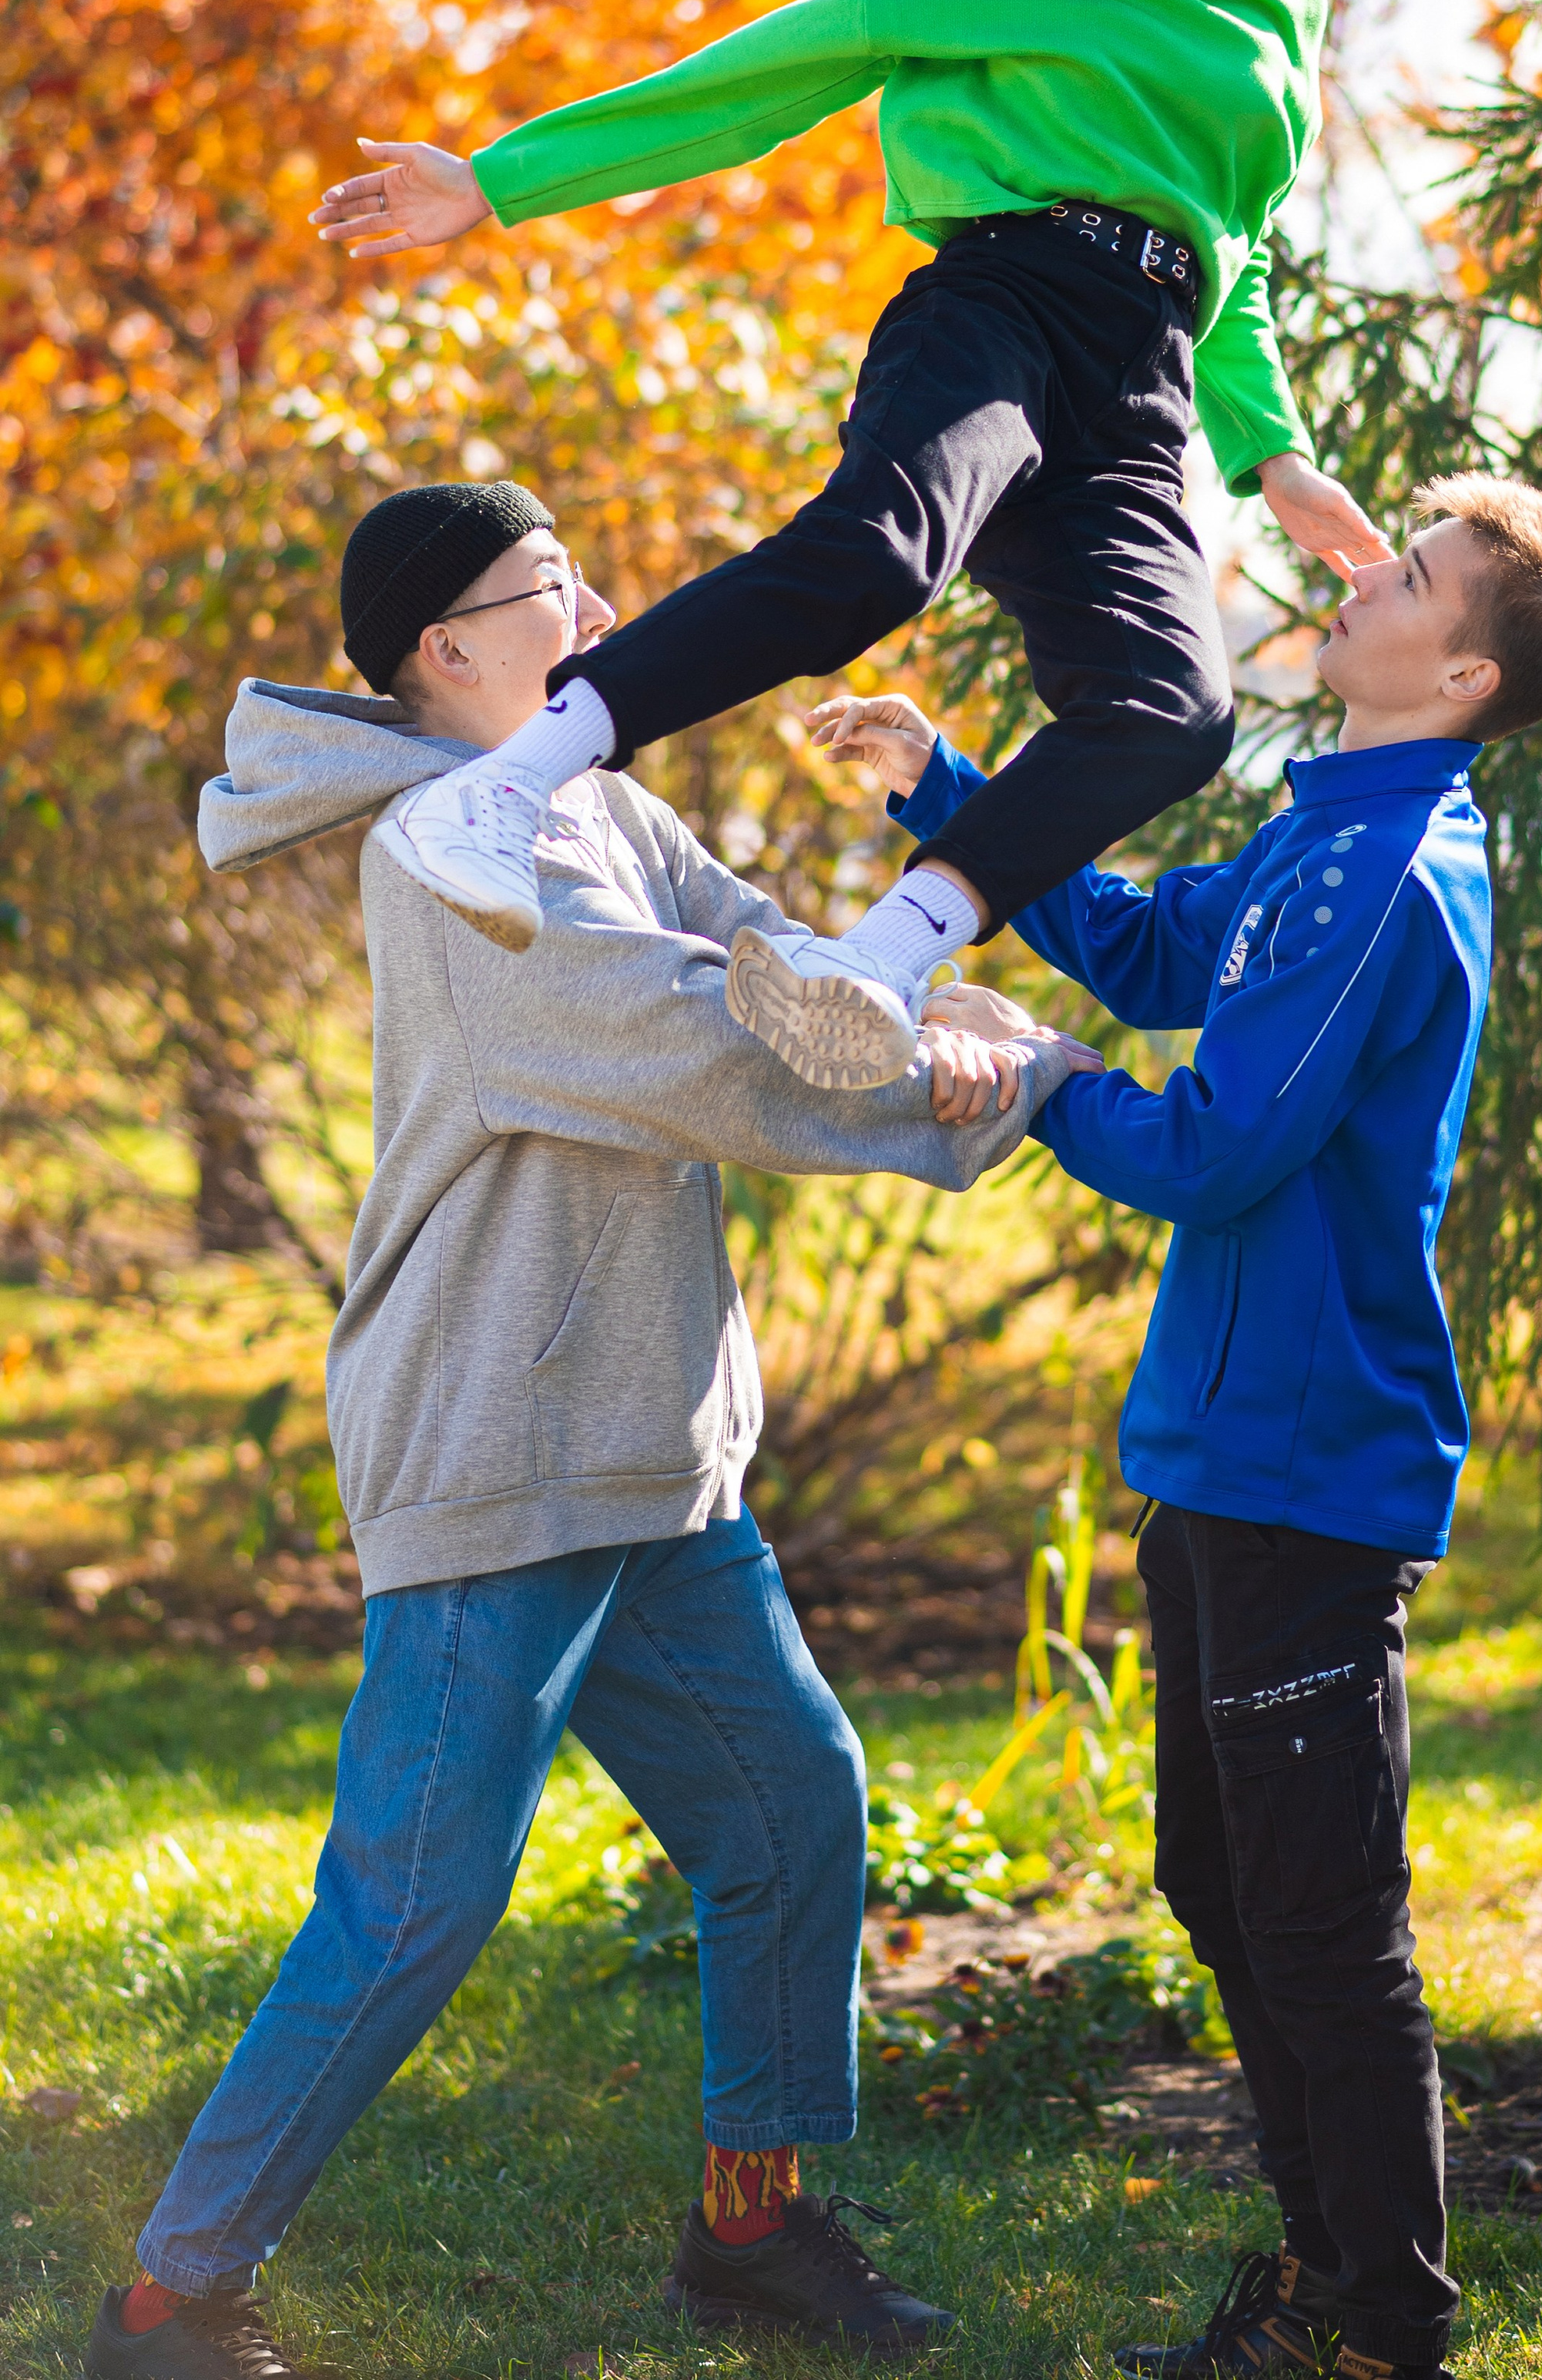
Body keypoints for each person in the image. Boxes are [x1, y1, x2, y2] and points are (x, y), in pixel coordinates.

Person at [85, 480, 1095, 2380]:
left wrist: (972, 1027)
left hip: (653, 1453)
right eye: (556, 589)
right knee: (410, 1907)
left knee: (790, 1810)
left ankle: (752, 2230)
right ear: (444, 649)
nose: (607, 606)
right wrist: (973, 1096)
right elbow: (693, 1046)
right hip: (495, 1450)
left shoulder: (608, 803)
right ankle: (167, 2300)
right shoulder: (441, 855)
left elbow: (787, 972)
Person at [812, 473, 1542, 2380]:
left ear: (1450, 669)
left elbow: (1220, 1146)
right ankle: (1319, 2277)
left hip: (1302, 1466)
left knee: (1319, 1922)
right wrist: (949, 788)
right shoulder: (1321, 831)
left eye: (1404, 572)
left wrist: (1030, 1079)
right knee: (1222, 1887)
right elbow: (1152, 952)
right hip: (1209, 1449)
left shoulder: (1394, 868)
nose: (1358, 574)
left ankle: (1382, 2330)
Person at [305, 0, 1391, 1089]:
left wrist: (1277, 458)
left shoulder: (1275, 0)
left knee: (1171, 708)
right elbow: (772, 77)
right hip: (1001, 305)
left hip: (1142, 379)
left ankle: (876, 958)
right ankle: (512, 783)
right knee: (876, 561)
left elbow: (1234, 248)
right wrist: (503, 179)